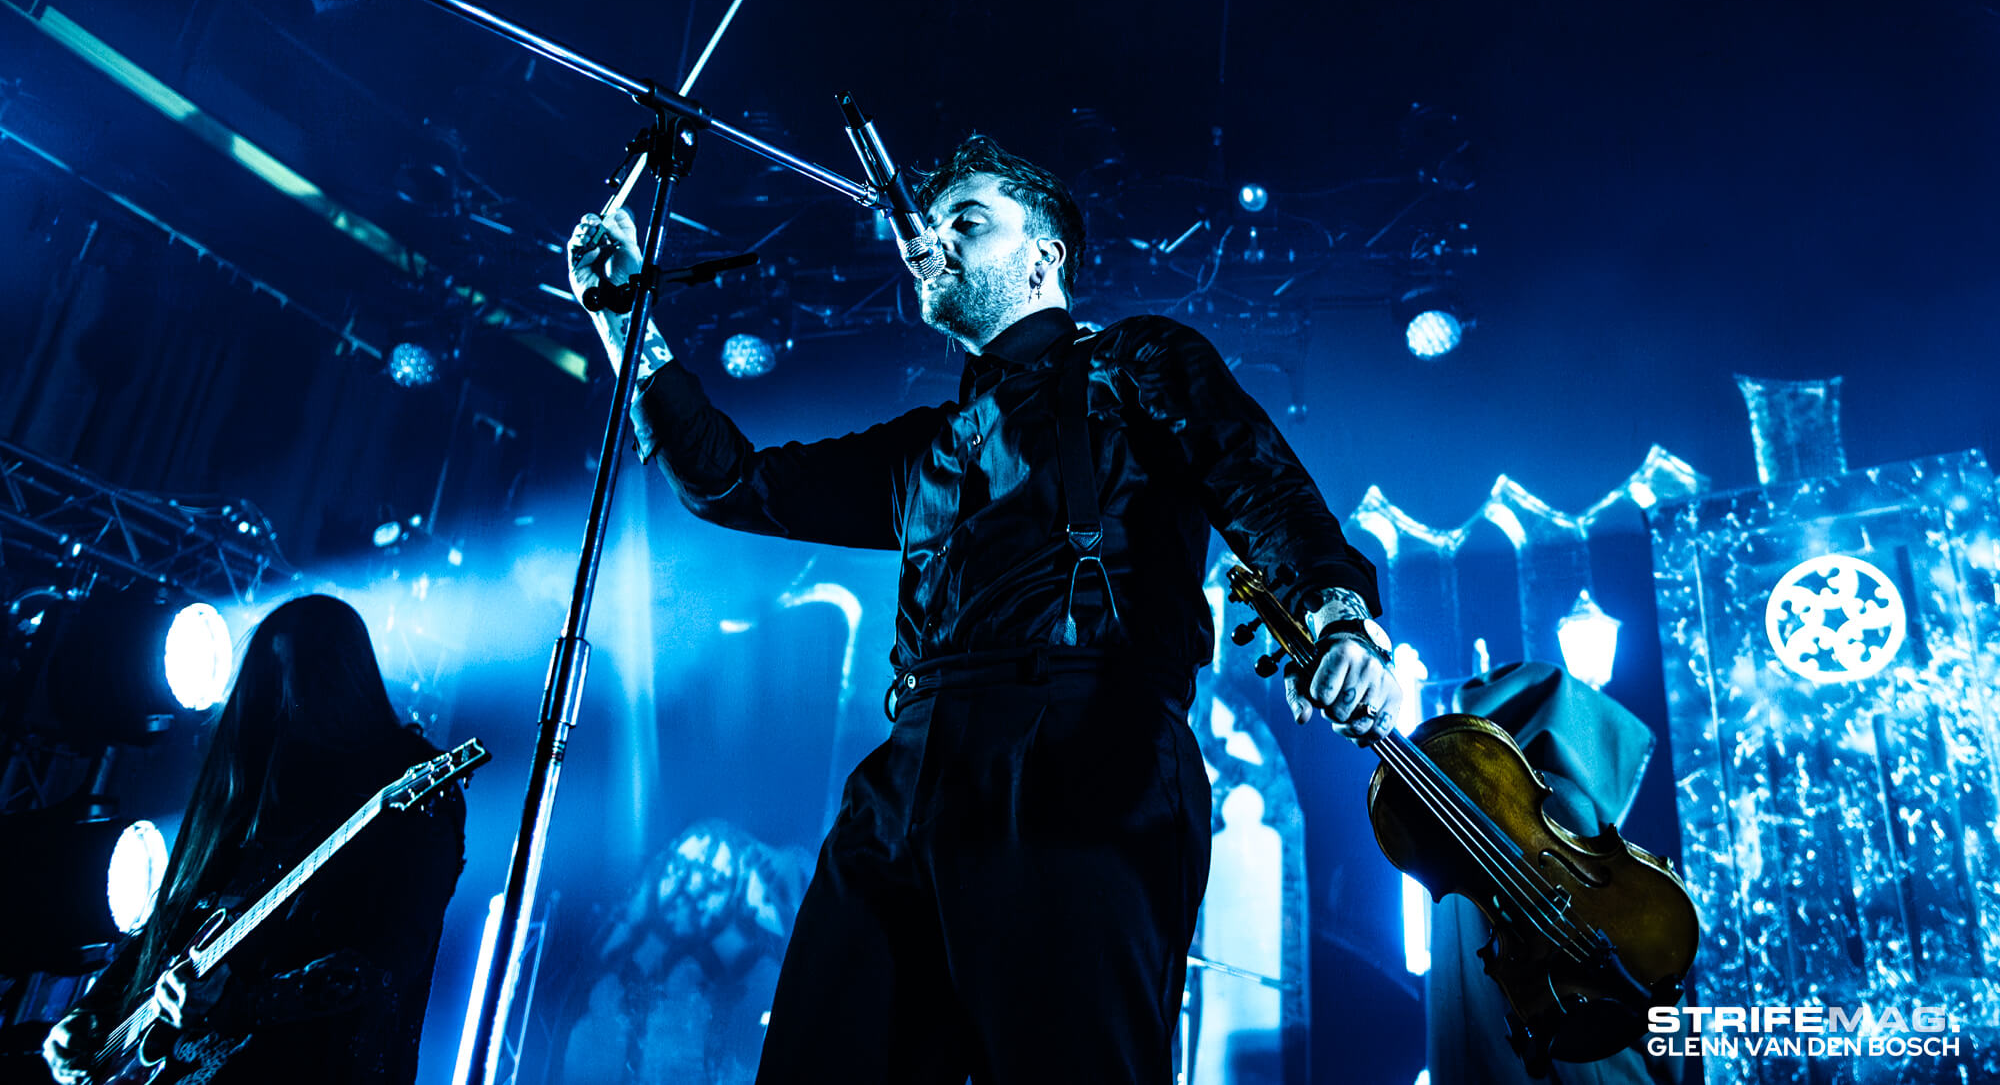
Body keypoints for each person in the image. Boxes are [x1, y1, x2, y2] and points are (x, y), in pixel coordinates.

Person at [566, 135, 1400, 1084]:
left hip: (1087, 749)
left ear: (1042, 254)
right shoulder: (924, 448)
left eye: (970, 221)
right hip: (908, 773)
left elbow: (1263, 488)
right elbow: (732, 483)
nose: (938, 241)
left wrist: (1337, 616)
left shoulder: (1140, 364)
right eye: (934, 225)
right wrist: (625, 316)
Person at [42, 595, 466, 1085]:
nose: (276, 704)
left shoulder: (407, 782)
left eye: (293, 681)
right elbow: (173, 928)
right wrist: (93, 1013)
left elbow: (386, 964)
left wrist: (240, 1003)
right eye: (265, 685)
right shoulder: (258, 788)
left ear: (338, 685)